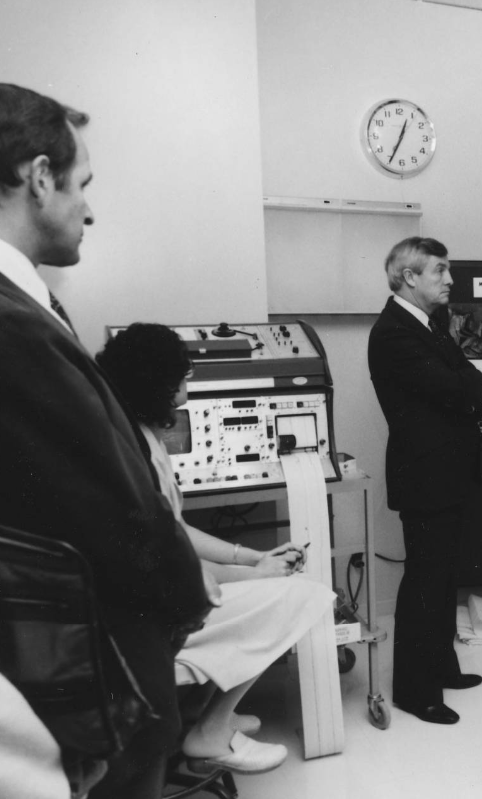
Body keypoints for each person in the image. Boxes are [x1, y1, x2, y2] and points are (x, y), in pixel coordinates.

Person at [0, 84, 212, 799]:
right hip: (93, 670)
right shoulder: (14, 325)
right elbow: (110, 501)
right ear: (37, 177)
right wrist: (185, 602)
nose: (89, 208)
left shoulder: (31, 308)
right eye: (81, 183)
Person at [96, 323, 336, 774]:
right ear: (157, 384)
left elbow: (176, 529)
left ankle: (196, 718)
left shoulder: (134, 433)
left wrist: (250, 559)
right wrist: (258, 574)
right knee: (300, 596)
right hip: (151, 623)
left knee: (276, 589)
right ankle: (211, 732)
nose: (188, 387)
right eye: (182, 379)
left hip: (147, 609)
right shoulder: (135, 450)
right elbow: (175, 560)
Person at [367, 237, 482, 725]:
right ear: (409, 277)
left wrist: (466, 386)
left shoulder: (428, 323)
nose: (450, 280)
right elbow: (459, 386)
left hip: (445, 473)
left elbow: (470, 382)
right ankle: (415, 693)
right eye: (440, 271)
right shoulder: (394, 333)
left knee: (442, 577)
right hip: (426, 476)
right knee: (424, 581)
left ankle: (440, 667)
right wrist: (466, 386)